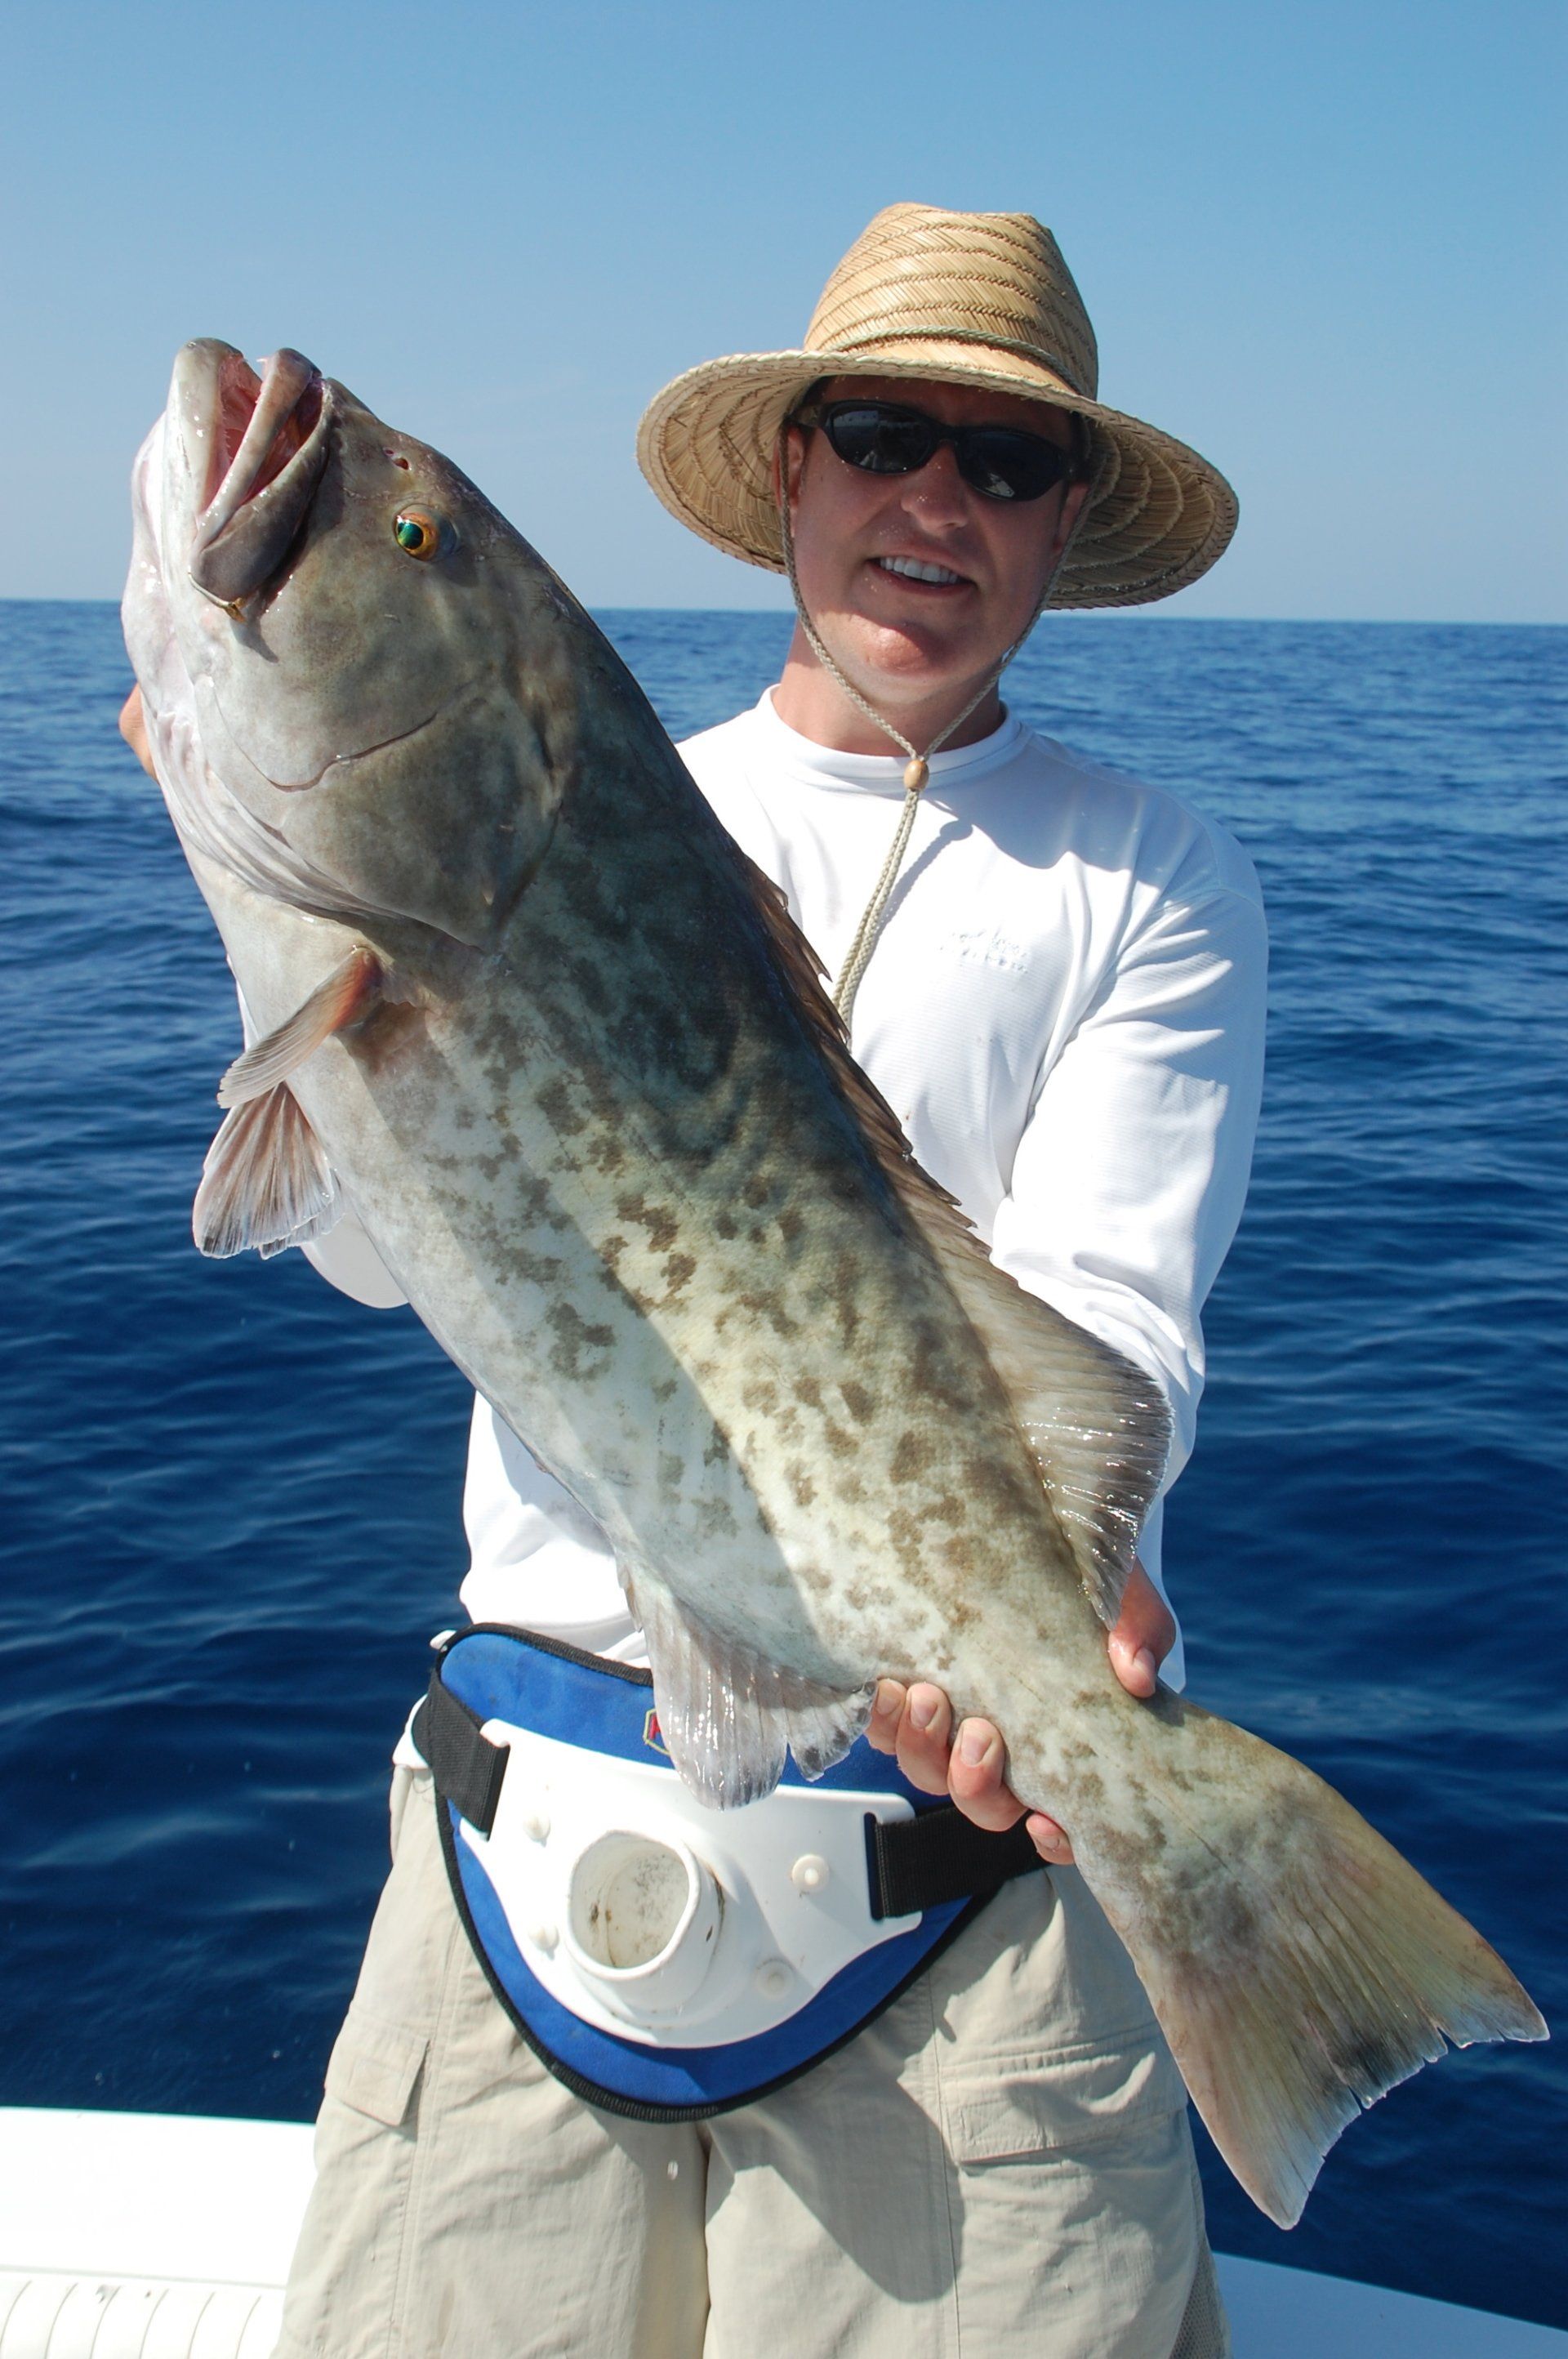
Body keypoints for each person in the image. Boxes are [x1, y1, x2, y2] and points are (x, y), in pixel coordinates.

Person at [122, 203, 1263, 2358]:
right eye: (879, 433)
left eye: (1006, 460)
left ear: (1066, 517)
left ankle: (1243, 1917)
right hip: (516, 1826)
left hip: (957, 1878)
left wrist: (1058, 1599)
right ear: (793, 476)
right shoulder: (618, 792)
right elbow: (377, 1254)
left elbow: (1117, 1319)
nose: (938, 498)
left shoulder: (1150, 873)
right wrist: (279, 927)